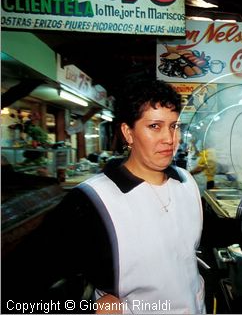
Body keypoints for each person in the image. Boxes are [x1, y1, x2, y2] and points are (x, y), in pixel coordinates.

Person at [3, 80, 206, 314]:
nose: (169, 139)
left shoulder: (185, 182)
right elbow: (13, 286)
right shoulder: (92, 202)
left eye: (174, 126)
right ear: (127, 133)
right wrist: (87, 309)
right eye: (154, 126)